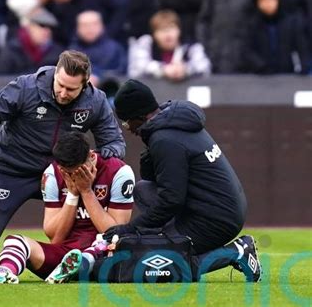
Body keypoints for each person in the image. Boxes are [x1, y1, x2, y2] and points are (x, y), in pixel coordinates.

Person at [96, 79, 262, 282]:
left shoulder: (165, 139)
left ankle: (237, 251)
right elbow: (153, 179)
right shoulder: (172, 123)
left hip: (216, 219)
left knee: (164, 263)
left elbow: (171, 199)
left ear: (138, 116)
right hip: (216, 208)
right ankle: (170, 240)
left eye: (127, 121)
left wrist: (131, 228)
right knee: (143, 190)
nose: (127, 128)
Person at [0, 50, 126, 251]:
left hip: (62, 177)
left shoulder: (96, 101)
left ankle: (85, 262)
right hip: (11, 171)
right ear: (55, 74)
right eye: (60, 85)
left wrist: (98, 162)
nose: (63, 93)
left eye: (71, 89)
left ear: (85, 84)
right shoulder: (26, 87)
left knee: (84, 239)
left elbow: (114, 143)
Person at [0, 132, 134, 283]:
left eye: (77, 171)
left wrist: (87, 191)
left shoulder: (119, 172)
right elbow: (56, 238)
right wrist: (73, 195)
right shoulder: (51, 174)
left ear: (90, 156)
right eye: (66, 172)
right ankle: (5, 271)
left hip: (103, 257)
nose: (72, 176)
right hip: (65, 256)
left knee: (103, 243)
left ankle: (77, 265)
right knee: (14, 241)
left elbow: (115, 235)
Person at [128, 10, 211, 81]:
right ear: (154, 34)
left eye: (171, 28)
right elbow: (138, 68)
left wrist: (185, 70)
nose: (167, 34)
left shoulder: (190, 46)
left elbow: (204, 67)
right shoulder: (146, 43)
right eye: (162, 30)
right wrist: (163, 70)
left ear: (179, 31)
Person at [243, 0, 310, 74]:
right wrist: (261, 66)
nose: (268, 4)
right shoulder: (253, 24)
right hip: (261, 76)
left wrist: (304, 67)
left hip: (287, 75)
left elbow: (302, 48)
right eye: (263, 1)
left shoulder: (291, 24)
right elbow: (247, 50)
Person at [0, 7, 64, 75]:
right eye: (42, 25)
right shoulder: (12, 50)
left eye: (50, 28)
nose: (47, 31)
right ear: (29, 26)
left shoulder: (57, 53)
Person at [69, 10, 127, 84]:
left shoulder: (115, 49)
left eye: (94, 24)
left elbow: (121, 72)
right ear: (77, 28)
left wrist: (98, 77)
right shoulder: (71, 52)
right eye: (84, 25)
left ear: (102, 26)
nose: (89, 29)